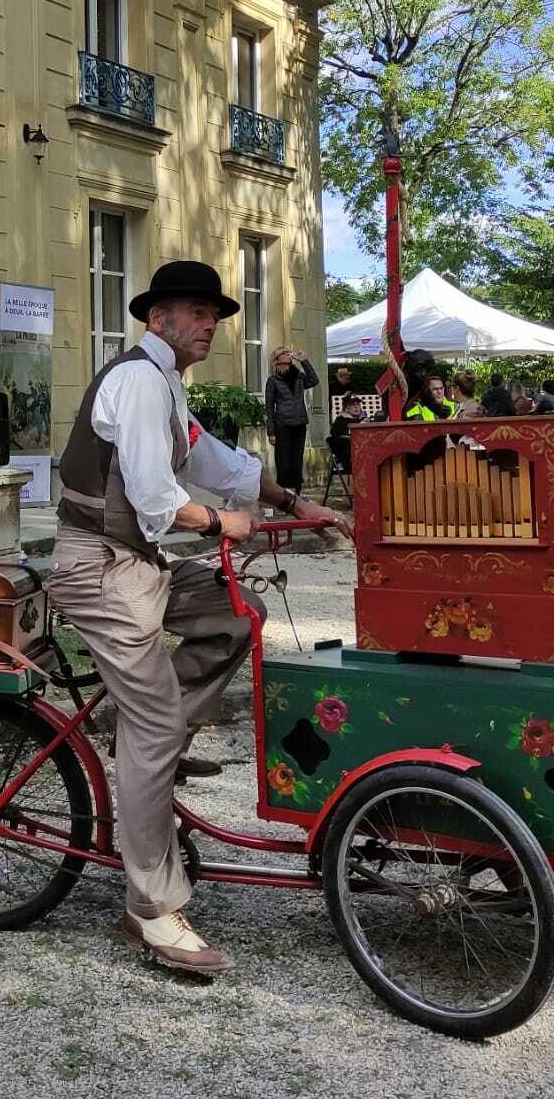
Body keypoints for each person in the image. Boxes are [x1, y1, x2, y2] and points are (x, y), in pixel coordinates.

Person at [50, 260, 352, 976]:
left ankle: (147, 733)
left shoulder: (165, 387)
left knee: (236, 614)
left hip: (135, 559)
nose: (210, 323)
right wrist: (225, 521)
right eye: (194, 311)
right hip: (96, 565)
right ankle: (149, 908)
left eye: (213, 313)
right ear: (157, 319)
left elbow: (217, 461)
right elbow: (160, 502)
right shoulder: (134, 381)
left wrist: (291, 503)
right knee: (155, 724)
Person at [263, 348, 320, 492]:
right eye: (284, 353)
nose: (288, 354)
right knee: (283, 461)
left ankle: (297, 493)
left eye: (288, 353)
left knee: (297, 461)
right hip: (282, 425)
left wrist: (304, 360)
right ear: (277, 359)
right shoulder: (273, 380)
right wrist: (271, 432)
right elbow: (269, 406)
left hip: (299, 423)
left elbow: (314, 380)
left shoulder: (299, 377)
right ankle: (284, 493)